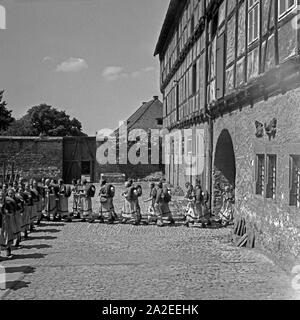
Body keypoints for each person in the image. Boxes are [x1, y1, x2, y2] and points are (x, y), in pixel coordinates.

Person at [0, 189, 15, 258]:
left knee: (7, 235)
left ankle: (8, 250)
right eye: (0, 195)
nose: (1, 197)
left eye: (2, 195)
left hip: (6, 221)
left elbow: (12, 213)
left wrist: (8, 213)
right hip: (0, 222)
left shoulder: (8, 203)